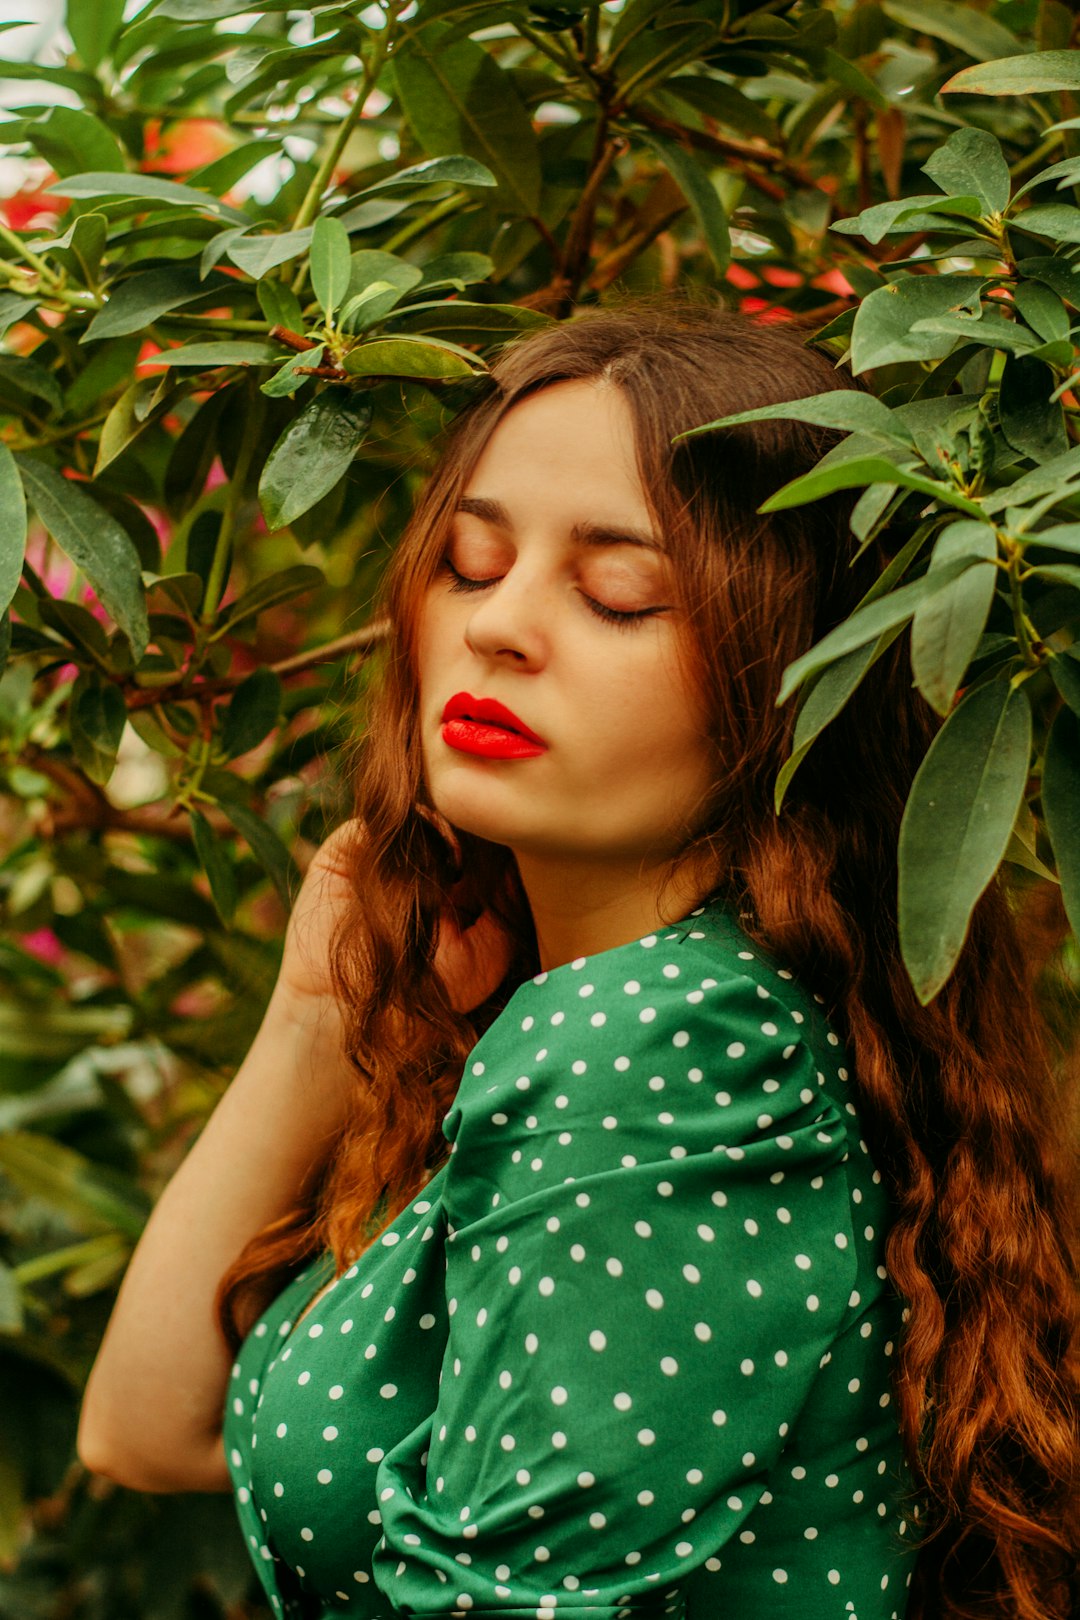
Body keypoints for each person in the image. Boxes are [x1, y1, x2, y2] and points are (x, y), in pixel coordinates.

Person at [77, 293, 1080, 1620]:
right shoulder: (645, 1017)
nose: (500, 627)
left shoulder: (663, 1039)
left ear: (789, 682)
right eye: (473, 564)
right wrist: (314, 1017)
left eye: (620, 595)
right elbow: (147, 1436)